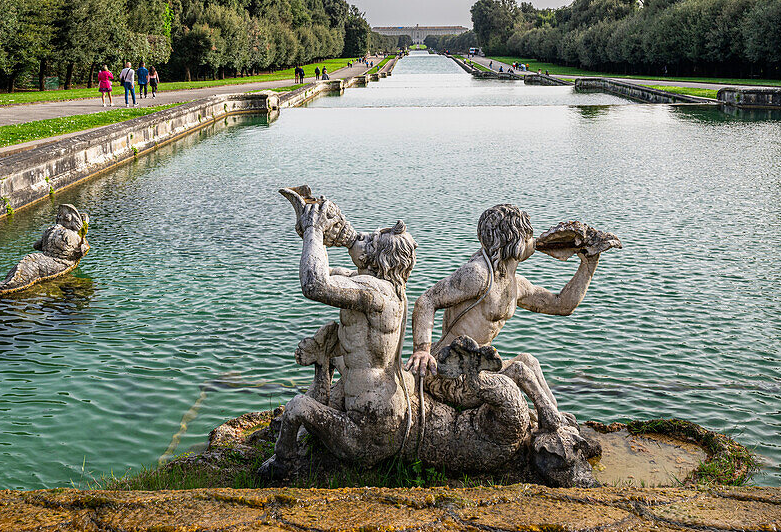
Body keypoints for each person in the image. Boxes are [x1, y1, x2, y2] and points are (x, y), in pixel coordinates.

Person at [406, 204, 618, 432]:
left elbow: (561, 305)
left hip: (479, 367)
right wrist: (422, 349)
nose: (533, 241)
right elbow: (427, 300)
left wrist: (588, 264)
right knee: (519, 370)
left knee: (528, 361)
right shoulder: (478, 275)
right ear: (514, 239)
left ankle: (552, 415)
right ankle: (552, 424)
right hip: (449, 372)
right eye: (529, 236)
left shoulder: (515, 284)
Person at [257, 202, 417, 479]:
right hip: (373, 409)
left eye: (370, 240)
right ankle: (313, 422)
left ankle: (283, 467)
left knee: (297, 406)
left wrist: (315, 230)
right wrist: (311, 234)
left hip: (369, 426)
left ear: (377, 259)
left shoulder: (376, 293)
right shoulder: (380, 285)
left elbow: (314, 285)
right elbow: (322, 270)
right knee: (332, 345)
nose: (361, 236)